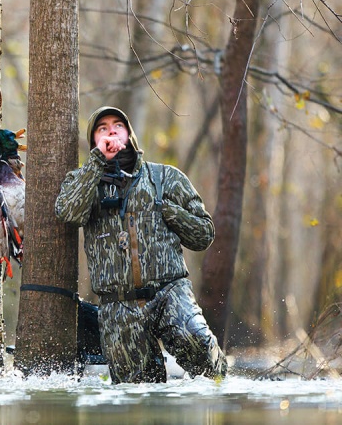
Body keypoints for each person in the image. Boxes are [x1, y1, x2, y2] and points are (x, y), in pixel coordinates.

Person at [54, 106, 227, 383]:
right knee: (135, 392)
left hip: (170, 293)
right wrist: (98, 160)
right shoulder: (82, 181)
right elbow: (68, 213)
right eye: (102, 128)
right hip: (117, 306)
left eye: (117, 125)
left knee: (201, 350)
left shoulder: (166, 177)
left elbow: (204, 235)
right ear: (94, 142)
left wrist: (167, 210)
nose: (111, 130)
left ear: (129, 134)